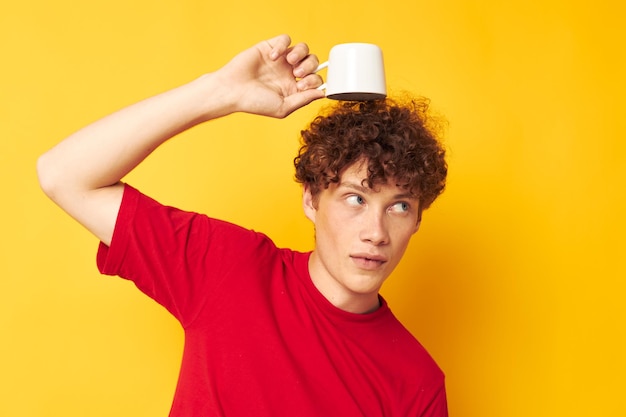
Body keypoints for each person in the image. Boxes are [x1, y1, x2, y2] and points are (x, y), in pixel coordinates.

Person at [37, 34, 449, 416]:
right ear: (311, 199)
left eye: (398, 207)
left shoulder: (417, 383)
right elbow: (63, 175)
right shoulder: (229, 267)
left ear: (416, 220)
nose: (376, 232)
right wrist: (220, 92)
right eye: (355, 199)